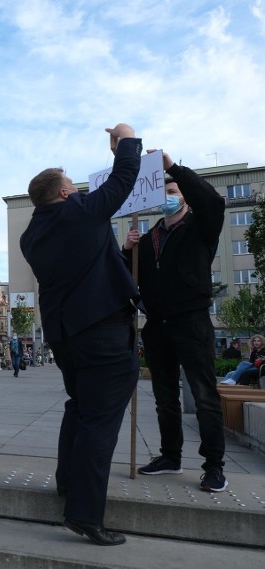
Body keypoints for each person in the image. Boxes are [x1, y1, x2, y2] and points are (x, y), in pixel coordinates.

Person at [20, 123, 142, 546]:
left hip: (65, 335)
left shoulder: (31, 235)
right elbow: (124, 178)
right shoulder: (79, 212)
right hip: (103, 332)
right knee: (100, 419)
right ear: (64, 194)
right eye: (72, 185)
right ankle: (85, 514)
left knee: (79, 407)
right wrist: (125, 139)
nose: (77, 189)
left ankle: (68, 482)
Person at [124, 150, 227, 493]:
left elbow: (211, 200)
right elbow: (129, 277)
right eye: (164, 193)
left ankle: (214, 466)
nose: (167, 199)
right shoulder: (148, 237)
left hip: (191, 321)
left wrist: (173, 169)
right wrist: (127, 251)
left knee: (203, 396)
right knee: (164, 396)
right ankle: (170, 456)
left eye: (174, 194)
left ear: (184, 197)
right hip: (157, 324)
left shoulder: (200, 226)